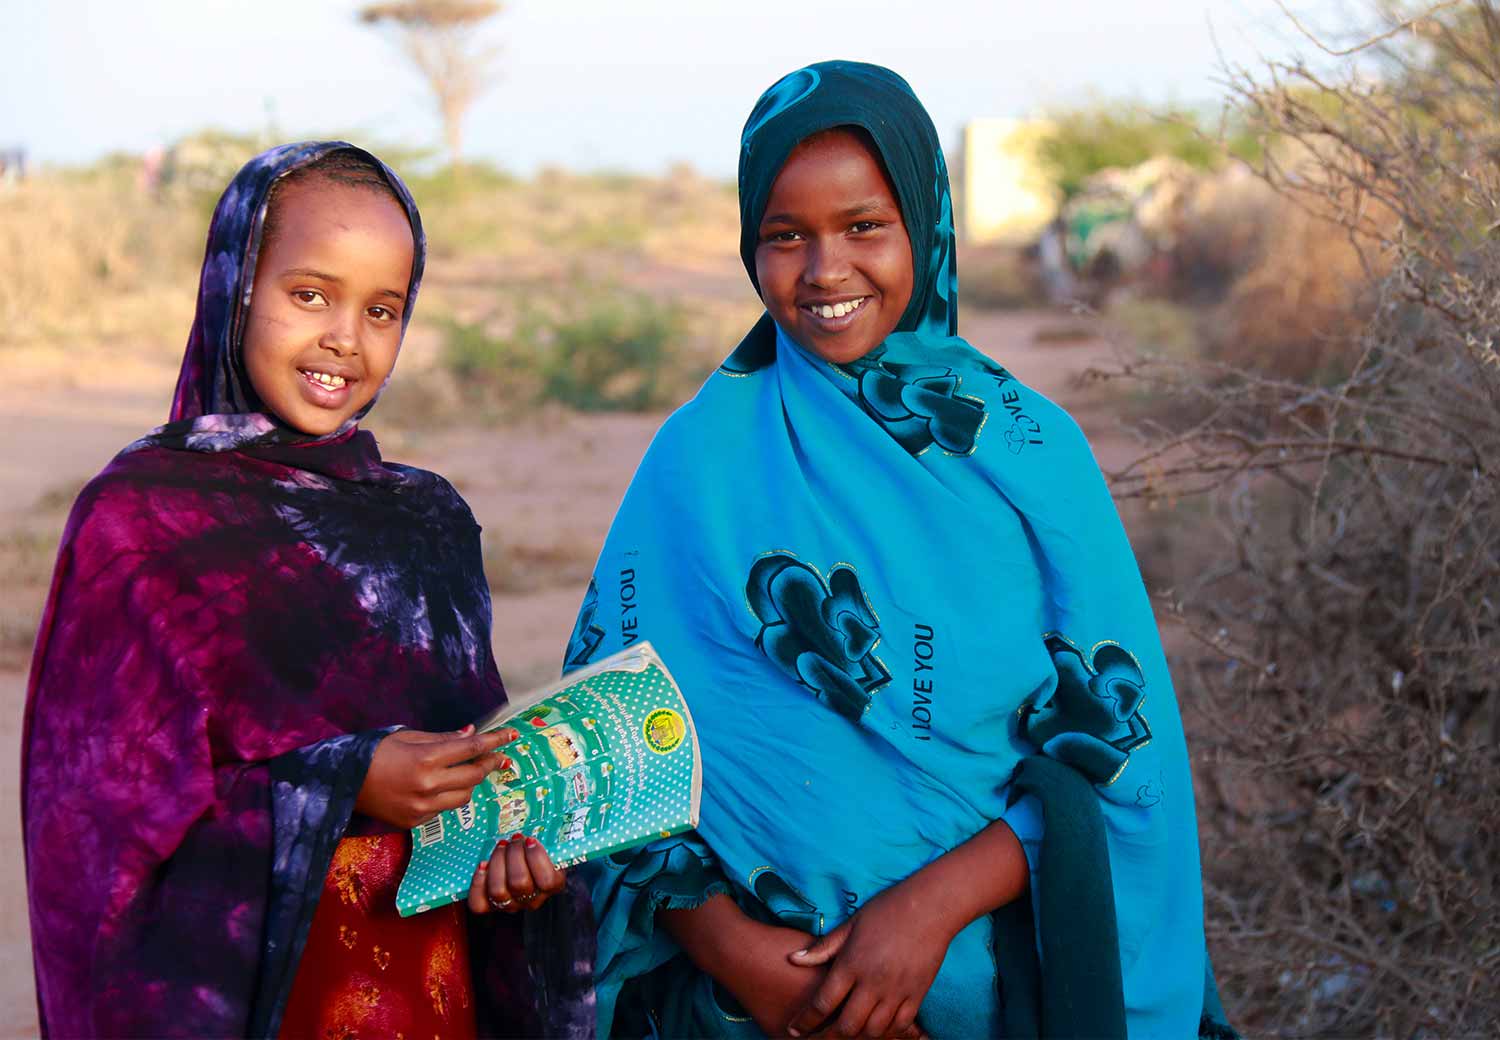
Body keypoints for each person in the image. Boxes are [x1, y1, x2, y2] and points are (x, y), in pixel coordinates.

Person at [564, 62, 1231, 1038]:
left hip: (998, 1000)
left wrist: (924, 912)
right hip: (739, 1006)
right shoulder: (695, 460)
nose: (825, 270)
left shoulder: (1026, 452)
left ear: (923, 219)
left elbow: (1119, 745)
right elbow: (604, 749)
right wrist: (743, 957)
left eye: (863, 226)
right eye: (784, 235)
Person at [21, 142, 593, 1039]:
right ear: (235, 285)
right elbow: (98, 838)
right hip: (261, 1008)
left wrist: (515, 855)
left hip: (430, 993)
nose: (345, 339)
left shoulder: (427, 524)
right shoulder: (137, 525)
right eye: (310, 295)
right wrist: (345, 782)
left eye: (383, 310)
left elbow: (469, 765)